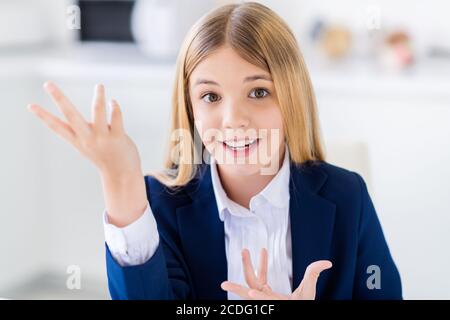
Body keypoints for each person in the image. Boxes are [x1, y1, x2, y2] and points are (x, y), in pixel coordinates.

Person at [27, 2, 402, 300]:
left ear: (292, 96)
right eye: (210, 96)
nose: (233, 119)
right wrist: (120, 182)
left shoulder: (347, 196)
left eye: (258, 92)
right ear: (191, 109)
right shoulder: (160, 205)